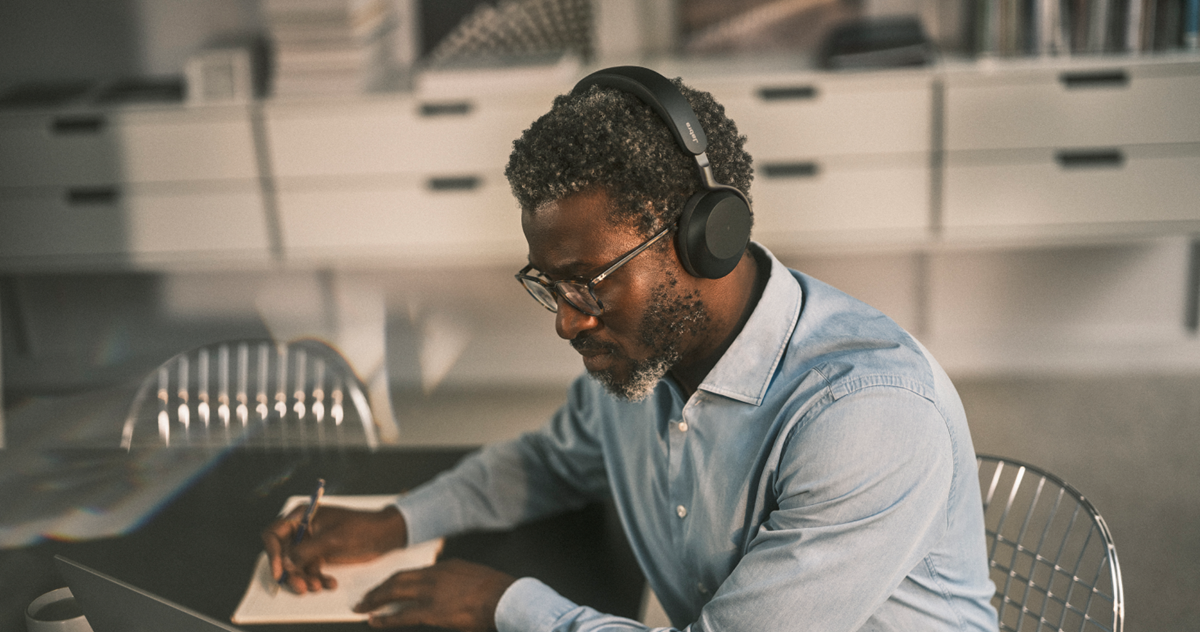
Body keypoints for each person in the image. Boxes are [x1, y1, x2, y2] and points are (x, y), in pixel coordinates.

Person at [263, 66, 998, 632]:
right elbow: (549, 462)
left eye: (587, 282)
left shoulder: (866, 417)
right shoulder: (640, 359)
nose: (567, 322)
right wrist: (394, 522)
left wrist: (507, 604)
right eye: (550, 284)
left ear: (705, 240)